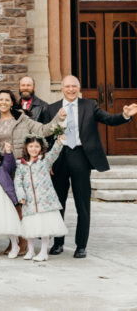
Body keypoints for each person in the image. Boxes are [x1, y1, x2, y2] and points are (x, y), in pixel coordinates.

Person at [39, 75, 136, 258]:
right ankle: (58, 243)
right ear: (62, 88)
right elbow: (45, 136)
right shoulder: (51, 108)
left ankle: (81, 246)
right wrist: (47, 161)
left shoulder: (89, 105)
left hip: (80, 157)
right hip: (59, 158)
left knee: (82, 204)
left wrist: (124, 115)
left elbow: (108, 118)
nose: (70, 89)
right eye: (67, 86)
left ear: (79, 87)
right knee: (58, 203)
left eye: (74, 86)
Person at [14, 134, 67, 262]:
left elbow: (54, 153)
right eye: (31, 146)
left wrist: (59, 142)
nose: (34, 149)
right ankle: (31, 251)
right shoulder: (21, 164)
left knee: (45, 228)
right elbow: (18, 181)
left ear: (41, 148)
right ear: (26, 148)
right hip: (29, 202)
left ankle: (43, 252)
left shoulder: (45, 161)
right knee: (31, 227)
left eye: (37, 146)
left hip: (45, 202)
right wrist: (21, 195)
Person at [0, 89, 63, 159]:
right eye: (1, 99)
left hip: (21, 164)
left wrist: (59, 117)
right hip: (2, 166)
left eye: (7, 100)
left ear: (11, 103)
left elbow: (43, 130)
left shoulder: (23, 119)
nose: (3, 102)